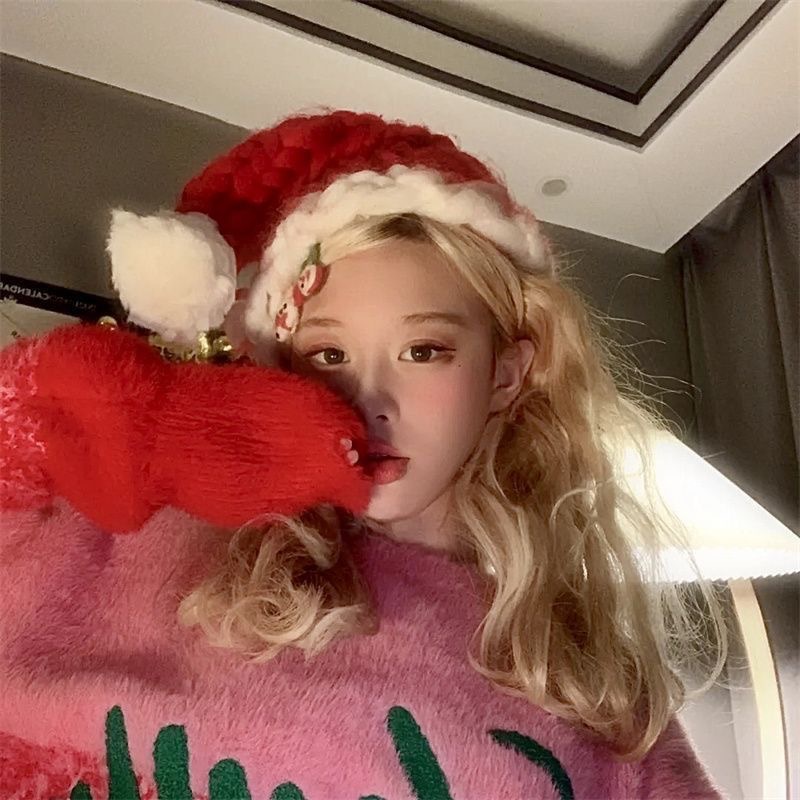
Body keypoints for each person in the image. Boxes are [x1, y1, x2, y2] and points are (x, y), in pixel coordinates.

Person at [0, 109, 729, 798]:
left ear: (506, 373)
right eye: (329, 353)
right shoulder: (148, 534)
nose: (370, 399)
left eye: (424, 350)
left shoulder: (586, 677)